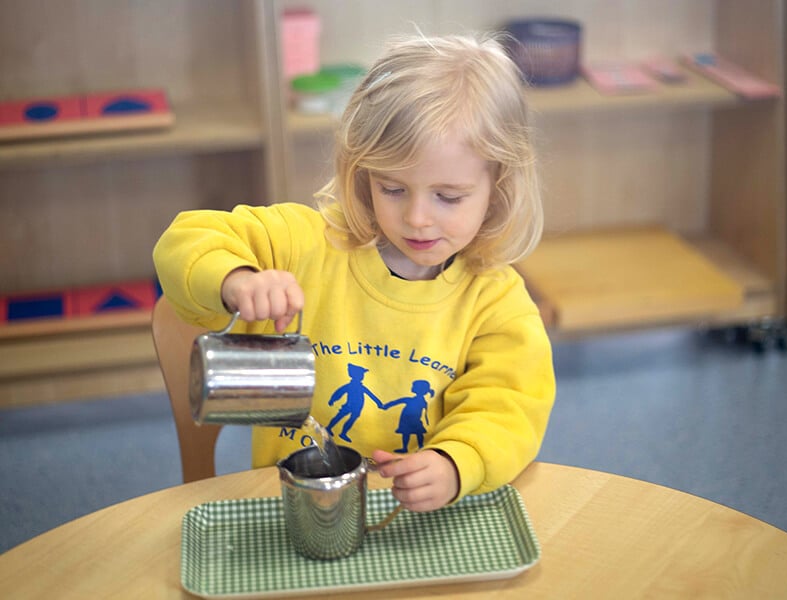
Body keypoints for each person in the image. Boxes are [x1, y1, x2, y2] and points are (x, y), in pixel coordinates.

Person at [153, 32, 555, 513]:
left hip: (414, 519)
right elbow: (184, 241)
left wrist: (456, 462)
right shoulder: (306, 244)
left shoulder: (496, 301)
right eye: (393, 189)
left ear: (499, 185)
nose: (418, 218)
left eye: (448, 196)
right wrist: (235, 278)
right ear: (362, 173)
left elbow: (510, 407)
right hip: (296, 509)